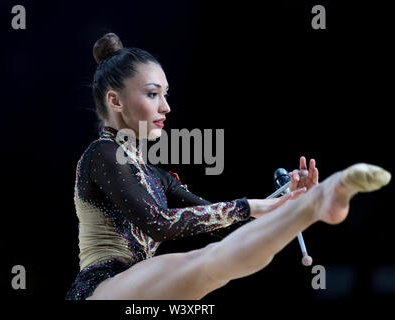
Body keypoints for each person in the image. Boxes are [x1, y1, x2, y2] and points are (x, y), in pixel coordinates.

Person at [65, 32, 391, 300]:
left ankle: (311, 205)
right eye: (153, 94)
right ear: (115, 101)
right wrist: (252, 206)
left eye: (166, 94)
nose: (166, 106)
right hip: (99, 288)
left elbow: (222, 220)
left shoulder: (156, 175)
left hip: (142, 286)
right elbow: (158, 223)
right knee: (205, 262)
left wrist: (283, 199)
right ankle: (311, 206)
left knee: (216, 261)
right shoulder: (103, 154)